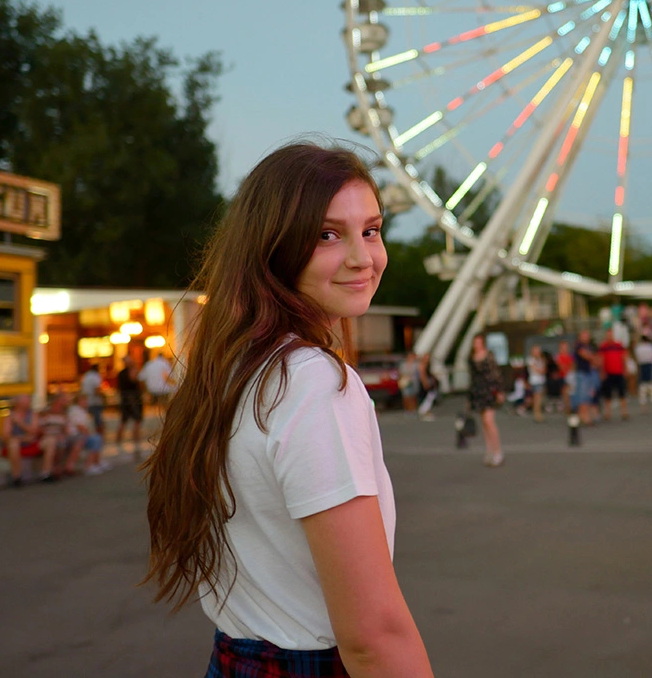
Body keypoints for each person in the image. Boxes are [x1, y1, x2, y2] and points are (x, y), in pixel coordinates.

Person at [142, 142, 432, 676]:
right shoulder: (312, 384)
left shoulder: (230, 369)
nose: (362, 257)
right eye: (327, 235)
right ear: (273, 248)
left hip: (236, 658)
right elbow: (372, 634)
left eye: (371, 230)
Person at [2, 394, 58, 486]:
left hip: (32, 443)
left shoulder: (32, 414)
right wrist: (23, 438)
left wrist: (20, 423)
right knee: (13, 444)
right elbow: (5, 436)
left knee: (51, 441)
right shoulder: (10, 417)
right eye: (26, 400)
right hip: (18, 444)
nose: (29, 402)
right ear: (19, 403)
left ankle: (46, 473)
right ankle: (16, 477)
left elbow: (34, 431)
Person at [469, 334, 505, 466]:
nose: (476, 344)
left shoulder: (488, 356)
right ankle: (489, 451)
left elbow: (496, 373)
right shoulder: (472, 357)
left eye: (479, 342)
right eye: (475, 342)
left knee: (489, 421)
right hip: (477, 391)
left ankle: (498, 451)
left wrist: (500, 390)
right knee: (484, 423)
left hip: (489, 390)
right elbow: (472, 377)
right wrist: (469, 397)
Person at [66, 394, 106, 475]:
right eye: (83, 400)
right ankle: (89, 466)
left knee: (97, 438)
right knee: (95, 439)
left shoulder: (82, 411)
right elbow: (80, 427)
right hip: (75, 435)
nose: (85, 402)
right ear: (78, 401)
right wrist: (89, 434)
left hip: (80, 435)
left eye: (85, 400)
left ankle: (97, 462)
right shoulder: (75, 410)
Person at [598, 329, 629, 422]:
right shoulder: (603, 346)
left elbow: (624, 357)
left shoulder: (619, 346)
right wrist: (602, 371)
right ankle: (608, 413)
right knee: (608, 395)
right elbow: (601, 359)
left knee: (622, 393)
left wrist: (625, 369)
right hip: (608, 373)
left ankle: (624, 412)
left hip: (618, 372)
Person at [116, 355, 145, 455]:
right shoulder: (130, 372)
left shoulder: (121, 373)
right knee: (135, 420)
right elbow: (136, 381)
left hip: (125, 398)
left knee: (124, 420)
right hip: (132, 398)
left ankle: (119, 440)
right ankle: (136, 440)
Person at [573, 330, 600, 425]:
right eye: (584, 335)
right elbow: (588, 356)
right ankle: (585, 417)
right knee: (583, 396)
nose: (586, 337)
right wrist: (593, 358)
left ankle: (583, 416)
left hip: (589, 373)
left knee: (588, 395)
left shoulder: (589, 347)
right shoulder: (579, 346)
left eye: (587, 335)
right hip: (582, 373)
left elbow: (596, 360)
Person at [634, 335, 652, 414]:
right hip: (649, 365)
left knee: (642, 388)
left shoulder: (638, 348)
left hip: (642, 366)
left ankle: (643, 407)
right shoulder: (651, 347)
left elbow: (637, 357)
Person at [80, 362, 106, 435]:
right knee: (98, 420)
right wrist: (103, 397)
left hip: (87, 401)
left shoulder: (87, 375)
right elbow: (97, 389)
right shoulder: (95, 376)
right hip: (95, 402)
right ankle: (100, 436)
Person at [527, 345, 547, 423]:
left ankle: (538, 412)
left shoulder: (541, 360)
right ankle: (537, 414)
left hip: (541, 380)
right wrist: (540, 370)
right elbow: (535, 369)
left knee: (539, 398)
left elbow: (544, 369)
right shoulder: (531, 360)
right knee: (537, 398)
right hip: (535, 381)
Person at [417, 352, 440, 418]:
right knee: (427, 397)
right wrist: (425, 383)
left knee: (430, 397)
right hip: (425, 383)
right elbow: (422, 375)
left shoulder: (427, 365)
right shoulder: (422, 365)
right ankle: (424, 412)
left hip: (429, 382)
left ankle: (427, 411)